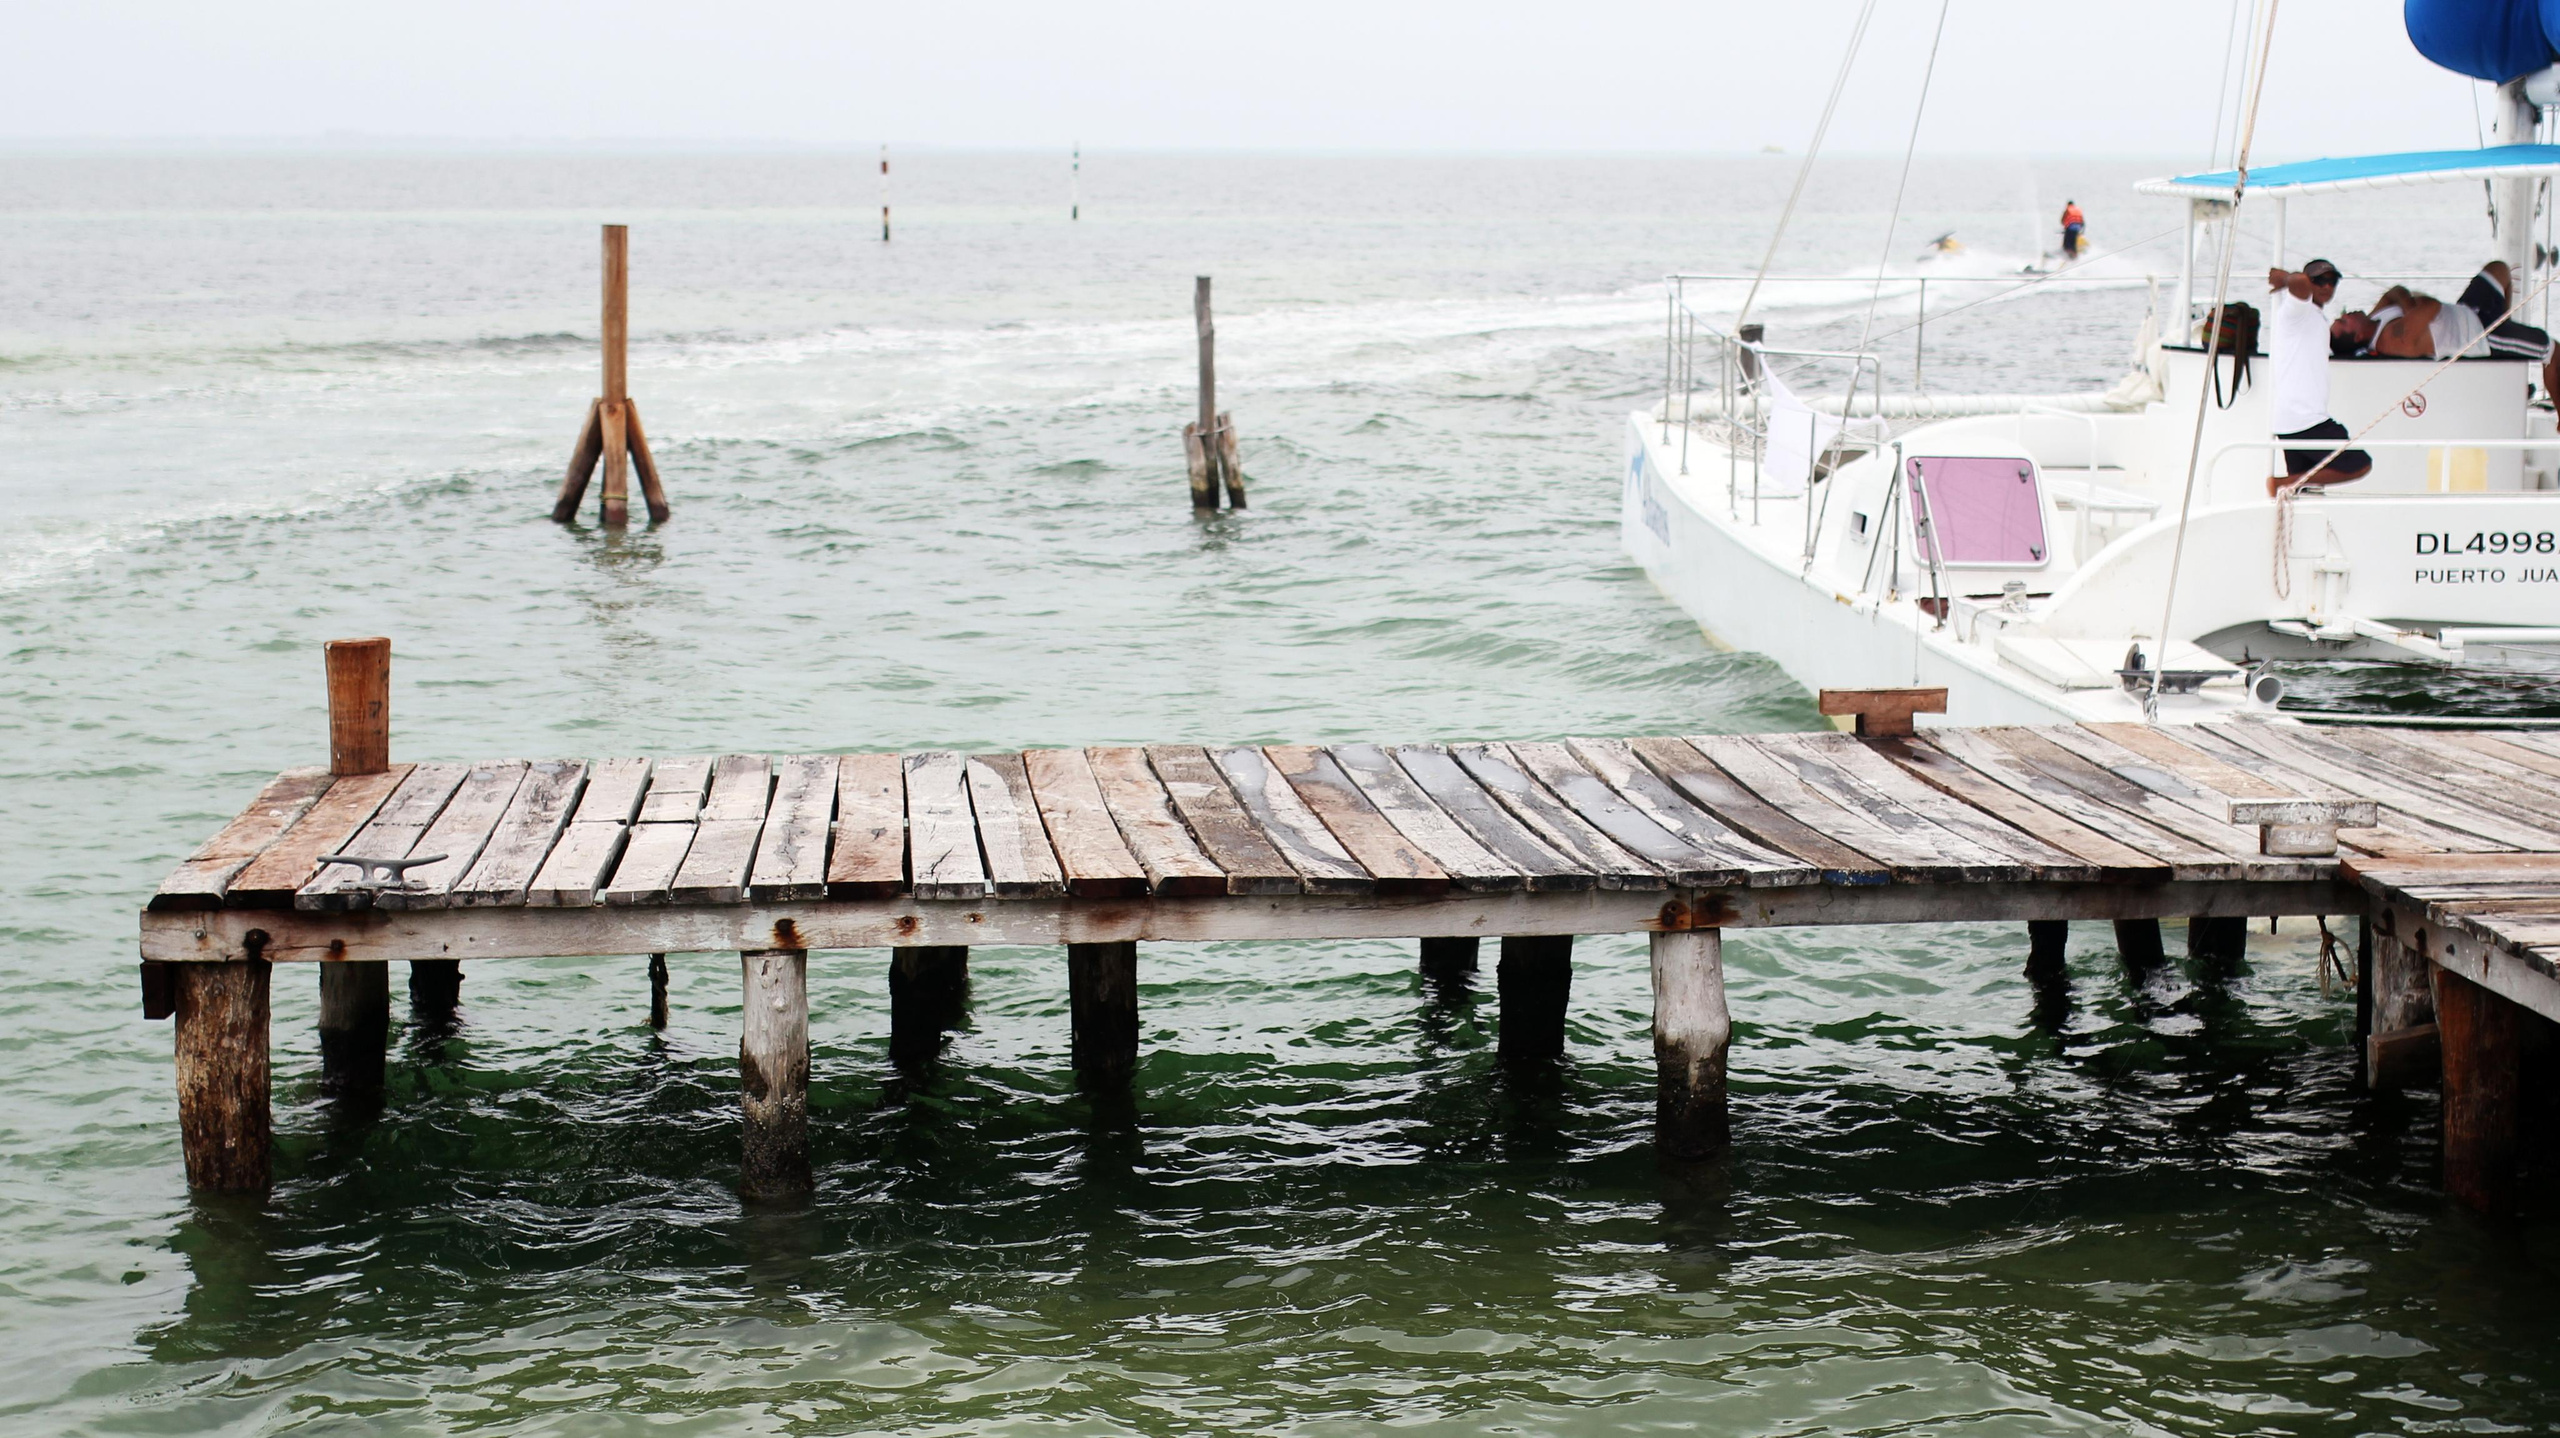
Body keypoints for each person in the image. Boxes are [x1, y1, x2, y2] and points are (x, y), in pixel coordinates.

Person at [2264, 260, 2371, 497]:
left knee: (2308, 493)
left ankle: (2290, 502)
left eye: (2332, 281)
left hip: (2294, 418)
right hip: (2305, 418)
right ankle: (2280, 484)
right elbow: (2300, 284)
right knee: (2359, 464)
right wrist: (2286, 280)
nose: (2327, 286)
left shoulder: (2316, 316)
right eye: (2319, 280)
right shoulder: (2297, 310)